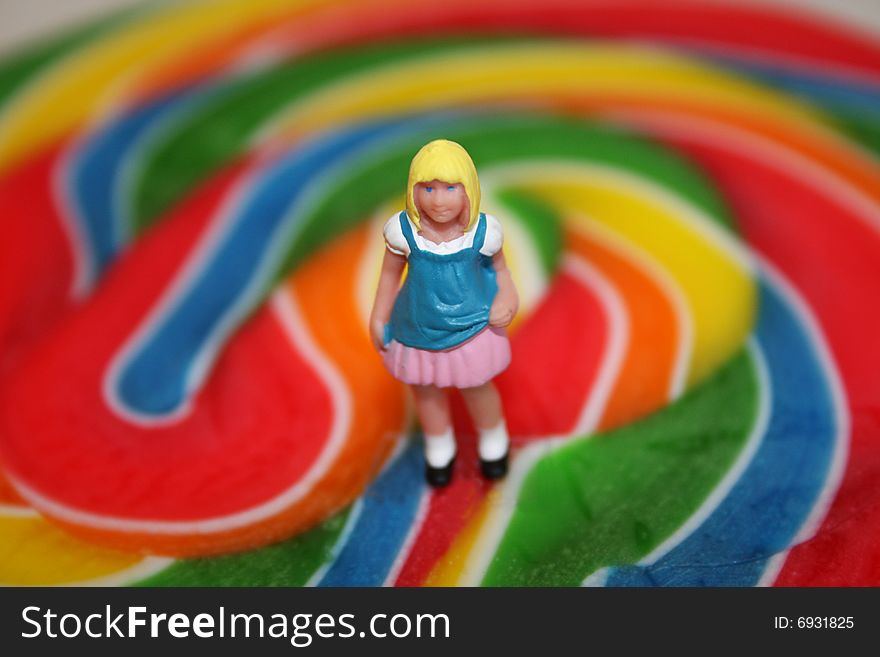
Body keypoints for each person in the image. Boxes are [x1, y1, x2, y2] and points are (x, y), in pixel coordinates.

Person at [369, 139, 518, 487]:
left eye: (450, 188)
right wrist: (379, 315)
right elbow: (389, 275)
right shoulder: (404, 233)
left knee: (478, 387)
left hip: (471, 326)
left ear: (469, 190)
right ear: (413, 190)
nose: (438, 200)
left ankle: (493, 440)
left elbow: (502, 272)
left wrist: (507, 300)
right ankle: (440, 445)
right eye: (428, 188)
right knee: (425, 391)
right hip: (416, 326)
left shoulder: (483, 234)